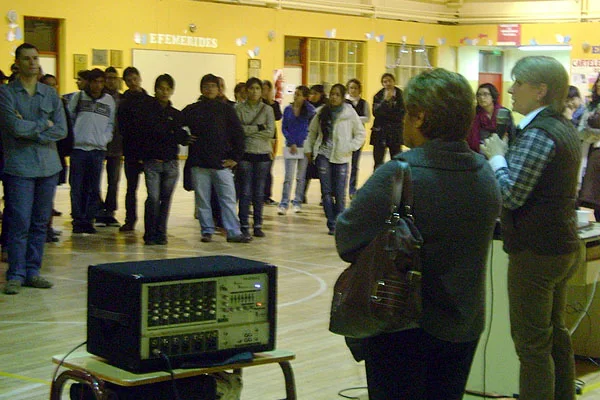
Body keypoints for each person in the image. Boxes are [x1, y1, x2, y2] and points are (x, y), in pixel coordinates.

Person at [336, 68, 501, 399]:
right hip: (463, 323)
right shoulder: (485, 173)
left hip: (402, 324)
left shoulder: (400, 173)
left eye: (407, 112)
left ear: (421, 116)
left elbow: (347, 238)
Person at [481, 56, 582, 400]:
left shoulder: (540, 133)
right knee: (555, 335)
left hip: (536, 253)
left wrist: (496, 156)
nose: (510, 89)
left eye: (518, 82)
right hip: (561, 247)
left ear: (540, 90)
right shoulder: (563, 127)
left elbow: (510, 195)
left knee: (531, 346)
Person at [0, 43, 67, 294]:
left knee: (40, 223)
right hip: (19, 168)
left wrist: (30, 127)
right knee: (19, 222)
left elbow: (61, 130)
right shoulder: (6, 94)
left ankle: (33, 271)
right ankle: (15, 274)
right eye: (27, 59)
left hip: (48, 167)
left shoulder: (49, 94)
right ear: (17, 63)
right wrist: (43, 125)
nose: (32, 63)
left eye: (36, 58)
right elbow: (13, 128)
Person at [181, 73, 250, 244]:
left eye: (213, 85)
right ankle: (207, 230)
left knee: (228, 199)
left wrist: (235, 158)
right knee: (202, 199)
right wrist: (182, 137)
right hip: (199, 163)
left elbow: (238, 135)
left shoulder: (227, 110)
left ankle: (233, 232)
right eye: (206, 86)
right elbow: (175, 123)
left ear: (219, 89)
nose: (209, 89)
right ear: (201, 89)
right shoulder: (192, 109)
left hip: (222, 163)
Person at [305, 83, 365, 235]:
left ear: (342, 97)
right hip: (323, 155)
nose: (334, 97)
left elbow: (360, 134)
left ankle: (340, 222)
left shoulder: (349, 113)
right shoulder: (321, 113)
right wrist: (309, 150)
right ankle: (331, 223)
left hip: (341, 157)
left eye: (337, 94)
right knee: (326, 192)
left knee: (339, 193)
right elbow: (312, 133)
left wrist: (349, 147)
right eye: (332, 94)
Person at [139, 74, 190, 245]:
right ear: (155, 90)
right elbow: (145, 135)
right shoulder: (146, 112)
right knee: (153, 198)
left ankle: (161, 232)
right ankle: (149, 233)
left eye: (168, 89)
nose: (164, 92)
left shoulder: (176, 114)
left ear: (172, 91)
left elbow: (181, 136)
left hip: (171, 163)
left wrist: (182, 136)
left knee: (166, 199)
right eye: (161, 88)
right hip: (152, 162)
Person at [68, 68, 115, 234]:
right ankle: (78, 220)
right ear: (89, 82)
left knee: (93, 188)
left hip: (97, 150)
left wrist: (104, 139)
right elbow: (70, 119)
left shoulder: (109, 100)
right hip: (79, 149)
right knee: (77, 187)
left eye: (101, 82)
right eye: (95, 81)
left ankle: (89, 220)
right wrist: (74, 138)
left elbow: (110, 123)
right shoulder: (78, 97)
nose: (98, 85)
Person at [236, 77, 275, 238]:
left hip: (263, 155)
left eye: (257, 89)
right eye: (251, 88)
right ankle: (244, 224)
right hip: (245, 154)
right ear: (246, 90)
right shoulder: (238, 108)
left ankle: (258, 225)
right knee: (245, 192)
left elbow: (270, 132)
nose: (254, 91)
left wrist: (249, 130)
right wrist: (258, 127)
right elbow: (238, 131)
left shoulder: (267, 110)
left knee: (259, 193)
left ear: (262, 91)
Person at [117, 66, 149, 232]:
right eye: (129, 80)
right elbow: (122, 127)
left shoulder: (149, 101)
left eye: (135, 79)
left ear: (139, 78)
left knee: (153, 190)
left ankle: (152, 221)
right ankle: (130, 220)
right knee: (131, 188)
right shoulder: (123, 102)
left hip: (149, 150)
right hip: (130, 150)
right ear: (125, 82)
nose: (133, 82)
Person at [277, 85, 315, 215]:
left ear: (304, 97)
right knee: (288, 177)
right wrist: (291, 142)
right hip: (290, 147)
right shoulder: (288, 109)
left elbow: (313, 125)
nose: (295, 96)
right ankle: (284, 203)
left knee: (301, 177)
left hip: (304, 147)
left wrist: (307, 103)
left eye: (299, 94)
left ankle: (297, 202)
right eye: (295, 94)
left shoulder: (309, 110)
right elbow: (284, 128)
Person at [95, 66, 123, 227]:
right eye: (108, 77)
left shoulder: (122, 99)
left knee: (114, 181)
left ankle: (110, 211)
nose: (111, 81)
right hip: (99, 144)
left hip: (117, 145)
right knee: (95, 179)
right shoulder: (99, 97)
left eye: (114, 78)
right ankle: (98, 210)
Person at [467, 82, 514, 153]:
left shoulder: (503, 113)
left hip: (502, 150)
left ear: (493, 96)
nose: (482, 98)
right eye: (479, 95)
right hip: (479, 151)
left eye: (485, 94)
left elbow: (512, 134)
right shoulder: (473, 114)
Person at [371, 73, 405, 170]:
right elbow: (376, 113)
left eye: (390, 81)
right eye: (385, 81)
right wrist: (385, 101)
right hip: (380, 132)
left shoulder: (401, 96)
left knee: (397, 161)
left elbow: (401, 114)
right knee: (378, 162)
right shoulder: (378, 96)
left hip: (395, 132)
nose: (388, 83)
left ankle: (396, 183)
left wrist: (386, 113)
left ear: (394, 82)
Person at [578, 76, 600, 222]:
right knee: (595, 201)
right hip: (591, 155)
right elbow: (580, 130)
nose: (599, 84)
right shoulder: (591, 106)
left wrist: (592, 133)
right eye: (598, 81)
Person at [345, 78, 371, 198]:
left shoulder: (364, 103)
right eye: (351, 88)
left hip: (358, 138)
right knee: (342, 164)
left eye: (355, 88)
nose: (353, 90)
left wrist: (354, 119)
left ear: (359, 89)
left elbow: (367, 118)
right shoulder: (344, 102)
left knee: (355, 165)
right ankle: (339, 189)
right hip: (345, 137)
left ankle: (352, 189)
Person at [262, 79, 282, 206]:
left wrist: (270, 101)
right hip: (261, 136)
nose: (264, 91)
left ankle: (267, 195)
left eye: (266, 89)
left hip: (272, 138)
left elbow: (278, 116)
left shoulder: (273, 104)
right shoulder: (258, 104)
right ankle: (258, 195)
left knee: (269, 167)